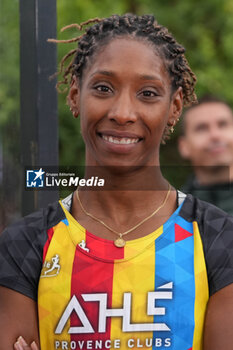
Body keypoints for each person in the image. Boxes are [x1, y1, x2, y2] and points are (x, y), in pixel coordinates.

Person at [0, 14, 233, 350]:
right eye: (103, 88)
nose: (123, 112)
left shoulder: (218, 239)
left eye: (148, 93)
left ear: (175, 106)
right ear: (75, 94)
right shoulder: (24, 246)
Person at [178, 95, 233, 214]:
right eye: (201, 128)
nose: (215, 135)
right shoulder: (174, 213)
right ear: (184, 146)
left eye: (223, 124)